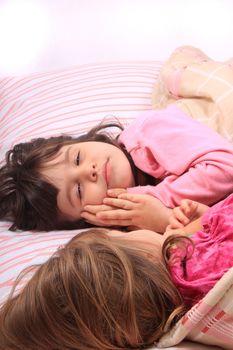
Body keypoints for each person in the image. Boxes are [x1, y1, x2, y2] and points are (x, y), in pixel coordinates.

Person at [1, 193, 233, 350]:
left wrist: (202, 219)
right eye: (125, 233)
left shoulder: (189, 303)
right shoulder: (195, 265)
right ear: (145, 256)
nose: (130, 231)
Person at [1, 104, 233, 232]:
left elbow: (226, 168)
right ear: (92, 218)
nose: (88, 171)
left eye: (78, 157)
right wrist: (159, 220)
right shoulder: (132, 226)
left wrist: (152, 204)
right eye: (79, 191)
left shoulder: (148, 132)